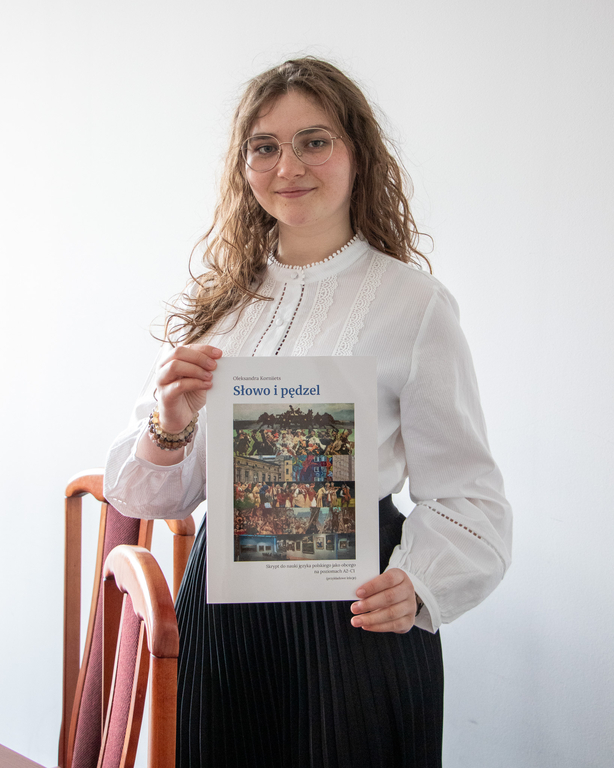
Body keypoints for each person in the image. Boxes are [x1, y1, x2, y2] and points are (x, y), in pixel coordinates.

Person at [104, 57, 512, 768]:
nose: (288, 166)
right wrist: (170, 421)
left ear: (358, 153)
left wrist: (418, 584)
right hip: (224, 616)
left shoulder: (414, 305)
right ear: (244, 167)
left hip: (356, 614)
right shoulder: (220, 306)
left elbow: (469, 494)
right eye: (264, 146)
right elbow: (149, 498)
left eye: (314, 141)